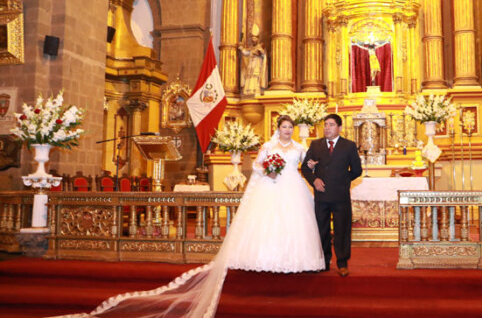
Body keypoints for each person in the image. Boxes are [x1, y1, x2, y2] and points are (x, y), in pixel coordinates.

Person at [53, 115, 324, 318]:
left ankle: (295, 258)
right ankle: (263, 257)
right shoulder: (268, 145)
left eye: (290, 128)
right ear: (278, 128)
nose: (287, 131)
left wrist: (311, 165)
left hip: (292, 188)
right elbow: (256, 166)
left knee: (294, 223)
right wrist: (268, 170)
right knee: (265, 224)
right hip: (270, 188)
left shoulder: (300, 148)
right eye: (284, 127)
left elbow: (310, 162)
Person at [302, 114, 363, 277]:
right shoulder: (315, 145)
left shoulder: (348, 146)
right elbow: (305, 168)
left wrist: (343, 180)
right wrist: (314, 180)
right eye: (325, 125)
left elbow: (357, 171)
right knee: (321, 228)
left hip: (340, 196)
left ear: (340, 128)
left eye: (331, 125)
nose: (327, 128)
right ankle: (324, 261)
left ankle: (342, 262)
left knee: (342, 229)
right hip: (321, 197)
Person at [239, 24, 267, 96]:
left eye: (255, 39)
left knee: (255, 79)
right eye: (252, 39)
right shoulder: (251, 48)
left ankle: (256, 91)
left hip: (257, 67)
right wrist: (241, 48)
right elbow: (246, 53)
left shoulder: (260, 47)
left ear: (257, 39)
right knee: (249, 79)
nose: (253, 41)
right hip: (251, 67)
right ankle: (248, 91)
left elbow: (263, 55)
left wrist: (260, 53)